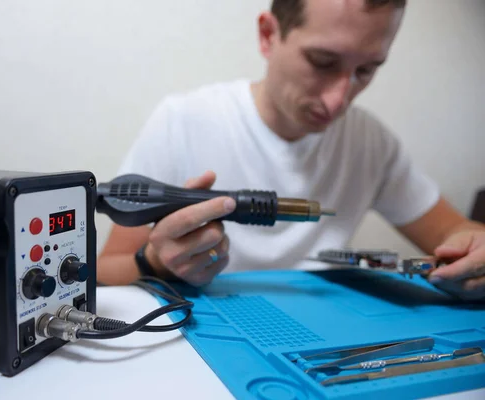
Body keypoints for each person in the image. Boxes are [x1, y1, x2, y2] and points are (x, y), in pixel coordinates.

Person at [97, 0, 485, 300]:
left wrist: (475, 249)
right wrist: (154, 263)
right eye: (323, 62)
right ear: (269, 35)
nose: (338, 101)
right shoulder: (182, 120)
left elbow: (458, 233)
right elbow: (104, 271)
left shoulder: (371, 142)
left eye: (366, 71)